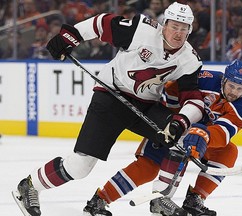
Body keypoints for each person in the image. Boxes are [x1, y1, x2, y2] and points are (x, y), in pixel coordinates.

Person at [13, 2, 204, 216]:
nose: (178, 33)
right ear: (164, 24)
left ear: (190, 30)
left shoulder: (190, 59)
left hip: (145, 105)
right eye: (174, 26)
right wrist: (70, 37)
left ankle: (161, 199)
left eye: (184, 28)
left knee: (180, 139)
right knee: (80, 166)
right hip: (110, 96)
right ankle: (29, 186)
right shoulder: (142, 30)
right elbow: (101, 23)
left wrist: (179, 123)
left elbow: (194, 100)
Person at [80, 59, 242, 216]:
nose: (234, 92)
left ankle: (194, 199)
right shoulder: (205, 79)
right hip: (172, 127)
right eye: (231, 86)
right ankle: (100, 199)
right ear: (224, 80)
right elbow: (172, 87)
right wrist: (173, 117)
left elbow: (224, 132)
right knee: (147, 168)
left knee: (228, 151)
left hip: (199, 137)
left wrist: (202, 135)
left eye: (240, 89)